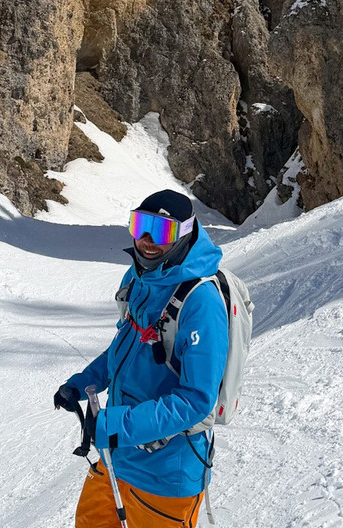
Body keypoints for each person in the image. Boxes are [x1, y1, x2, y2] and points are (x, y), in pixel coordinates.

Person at [54, 190, 228, 527]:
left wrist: (114, 426)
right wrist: (80, 385)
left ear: (185, 232)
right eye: (140, 225)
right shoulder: (139, 279)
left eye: (161, 230)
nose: (146, 240)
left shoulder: (201, 301)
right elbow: (125, 349)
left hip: (165, 474)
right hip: (117, 458)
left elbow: (196, 400)